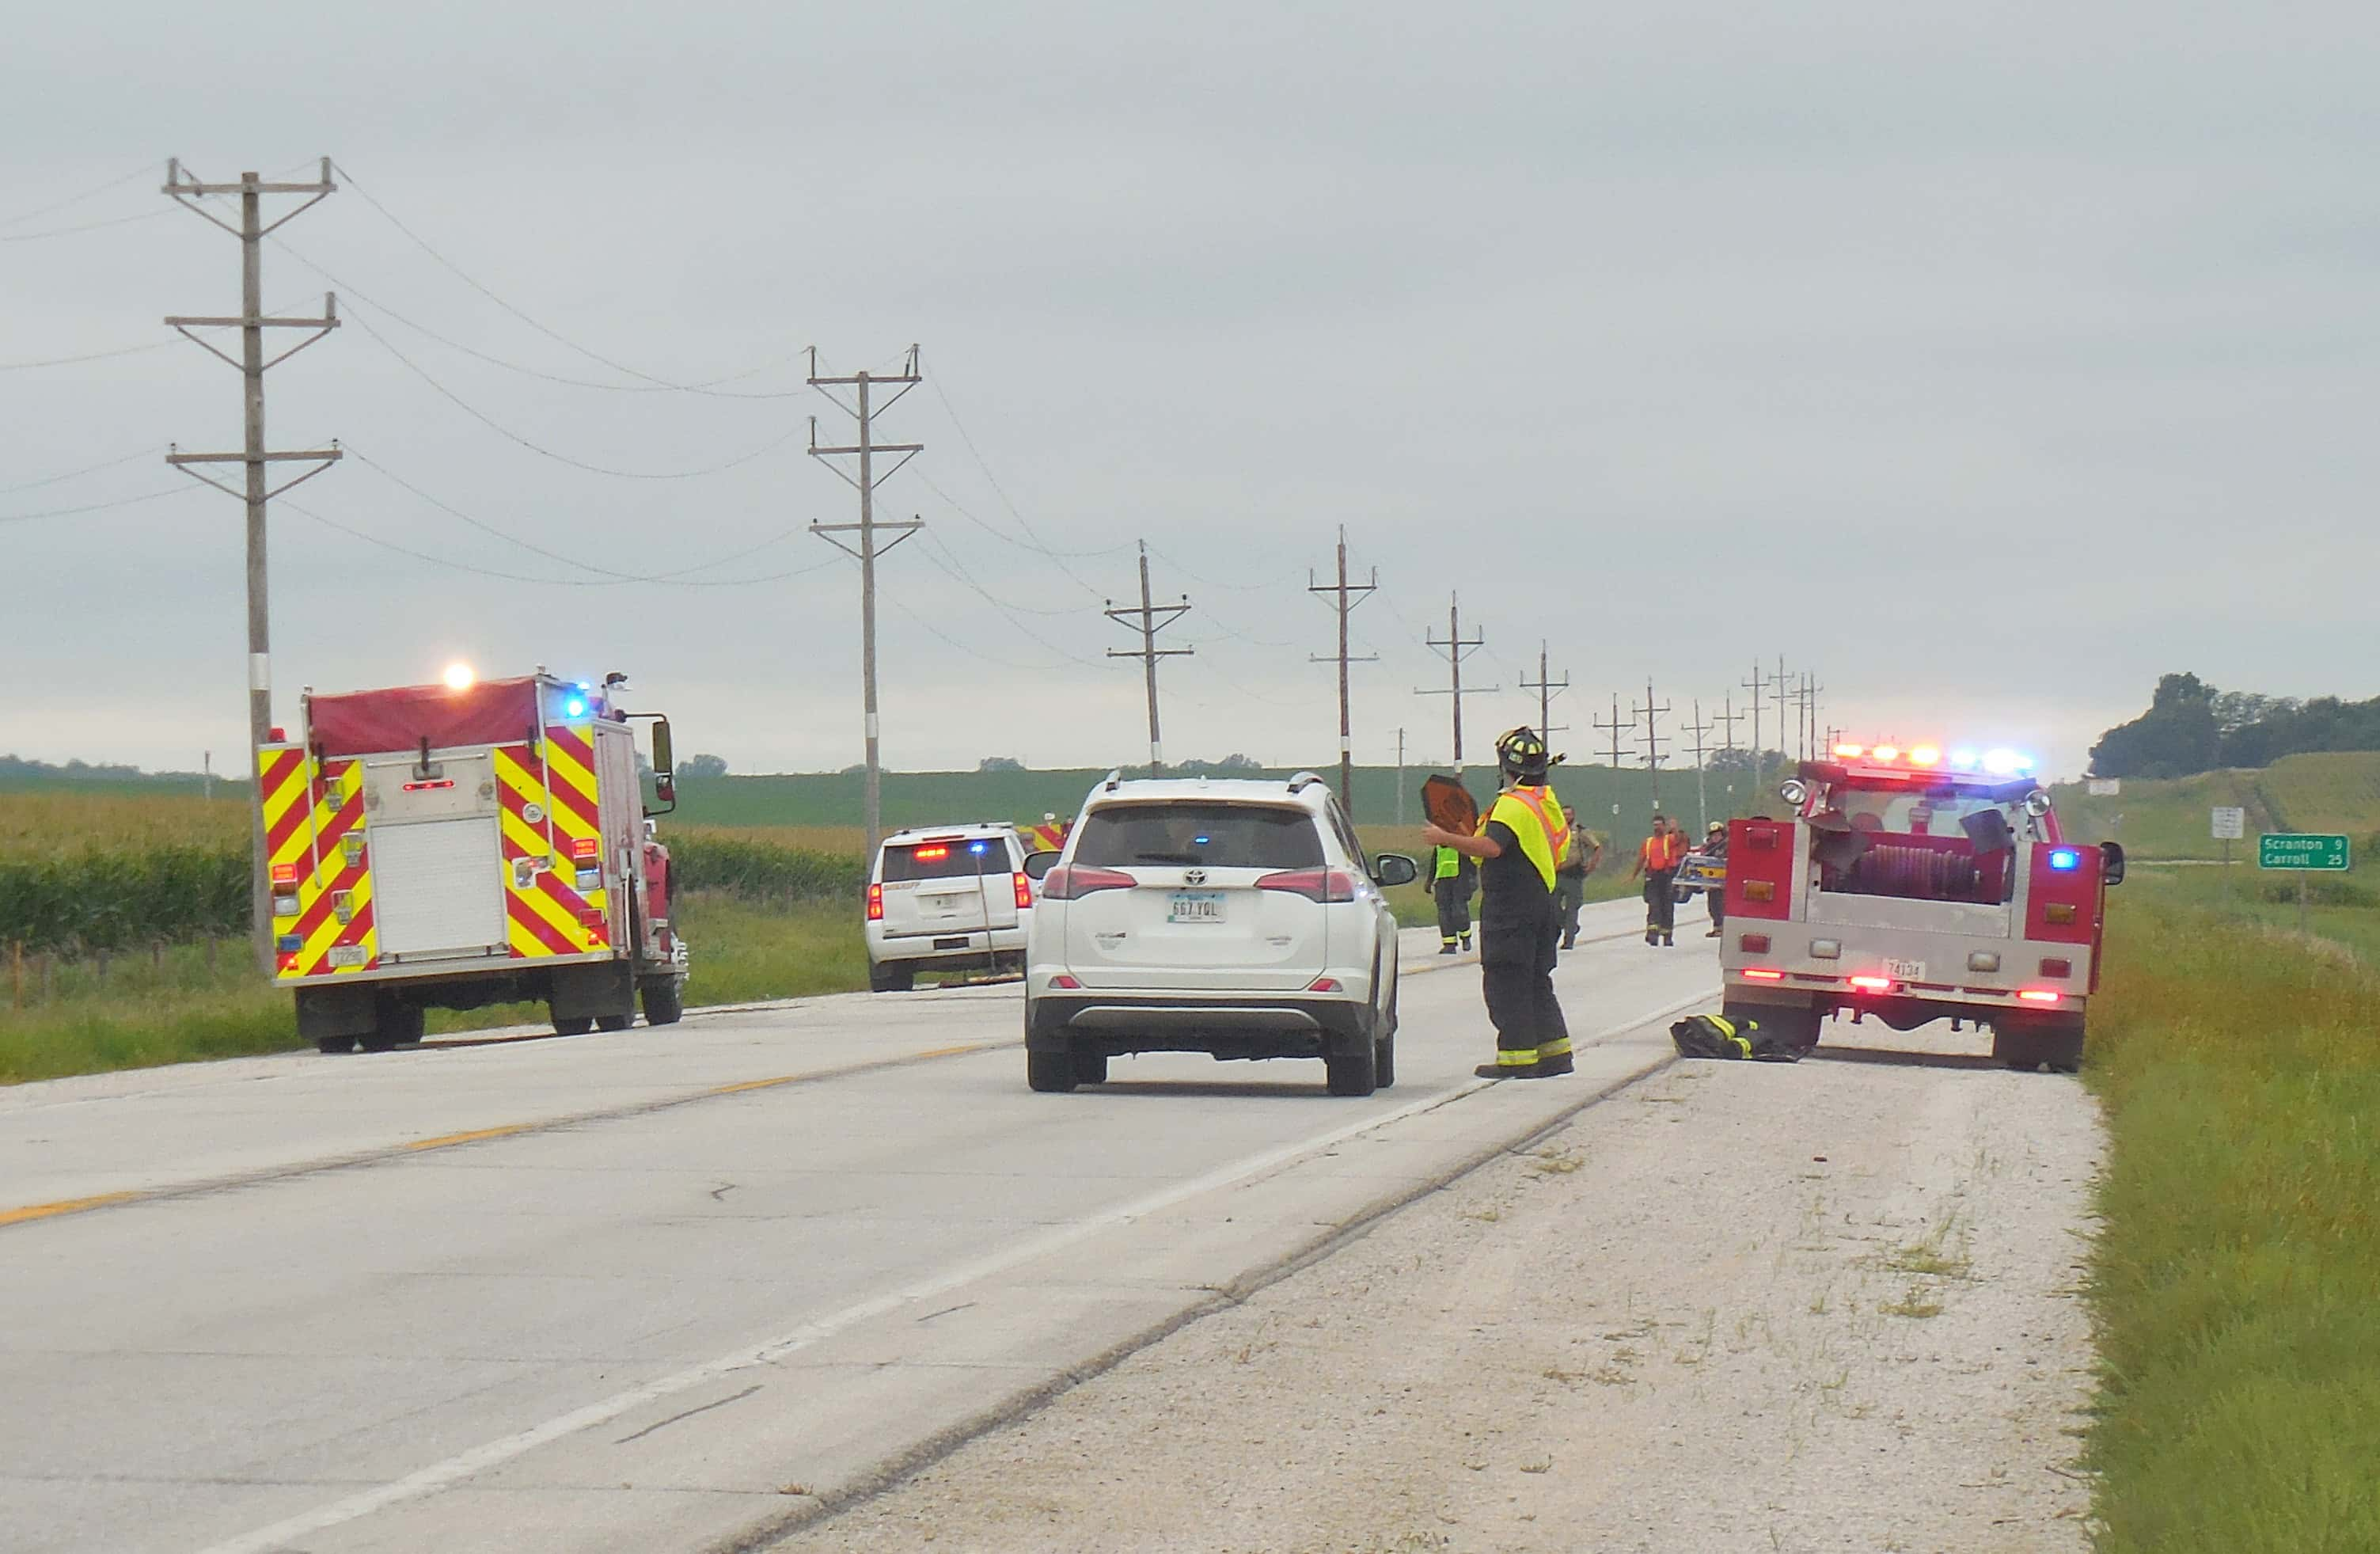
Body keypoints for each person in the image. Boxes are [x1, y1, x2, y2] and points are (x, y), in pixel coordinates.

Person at [1422, 727, 1573, 1080]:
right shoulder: (1546, 803)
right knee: (1537, 980)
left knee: (1506, 981)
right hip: (1543, 901)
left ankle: (1517, 1059)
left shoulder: (1513, 805)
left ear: (1508, 766)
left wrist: (1444, 837)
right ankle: (1555, 1054)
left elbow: (1492, 847)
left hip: (1512, 907)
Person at [1628, 813, 1687, 947]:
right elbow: (1641, 860)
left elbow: (1678, 839)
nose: (1657, 827)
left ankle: (1667, 936)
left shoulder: (1669, 839)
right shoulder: (1648, 842)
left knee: (1667, 906)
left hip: (1667, 876)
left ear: (1664, 826)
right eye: (1655, 825)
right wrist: (1633, 875)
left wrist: (1675, 828)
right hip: (1653, 877)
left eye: (1659, 825)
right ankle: (1653, 935)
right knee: (1654, 906)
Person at [1554, 805, 1603, 950]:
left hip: (1574, 874)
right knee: (1552, 906)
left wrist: (1592, 865)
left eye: (1569, 814)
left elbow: (1597, 847)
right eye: (1563, 814)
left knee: (1572, 909)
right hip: (1557, 873)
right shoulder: (1556, 830)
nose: (1566, 817)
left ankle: (1568, 940)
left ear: (1573, 815)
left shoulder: (1581, 831)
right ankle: (1570, 926)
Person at [1431, 838, 1476, 955]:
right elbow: (1434, 864)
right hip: (1442, 880)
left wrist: (1472, 879)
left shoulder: (1460, 843)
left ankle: (1465, 938)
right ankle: (1449, 944)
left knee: (1459, 911)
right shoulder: (1438, 846)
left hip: (1460, 879)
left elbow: (1471, 862)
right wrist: (1429, 882)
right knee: (1444, 913)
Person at [1701, 819, 1729, 937]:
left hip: (1723, 882)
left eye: (1718, 835)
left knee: (1721, 905)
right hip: (1712, 882)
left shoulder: (1728, 847)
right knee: (1712, 906)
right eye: (1713, 835)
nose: (1715, 837)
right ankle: (1717, 927)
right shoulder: (1708, 849)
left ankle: (1723, 928)